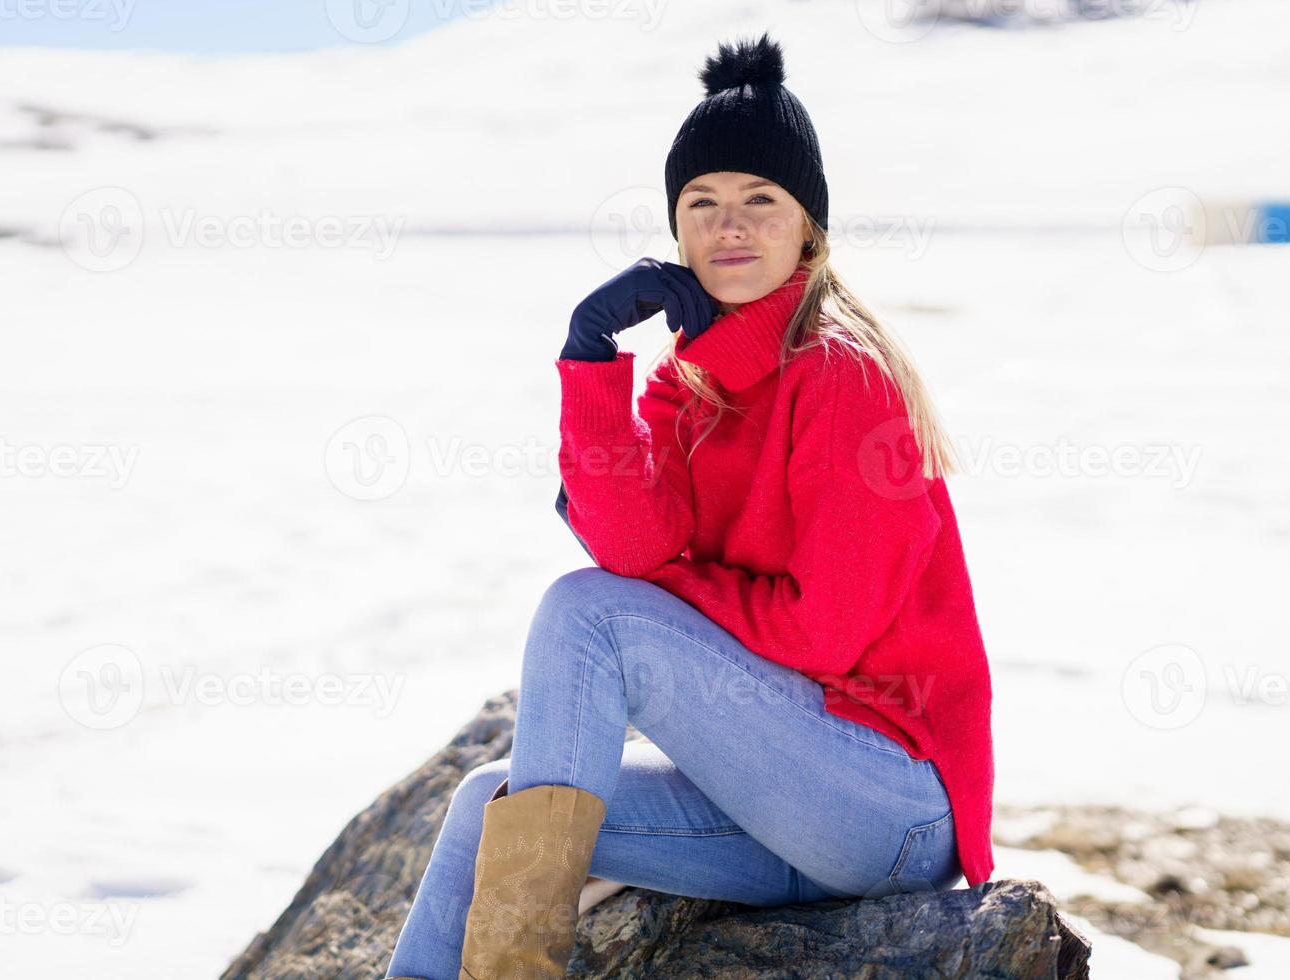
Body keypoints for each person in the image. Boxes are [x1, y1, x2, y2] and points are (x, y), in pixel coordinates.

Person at [386, 31, 994, 980]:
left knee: (587, 613)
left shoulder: (841, 375)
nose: (729, 227)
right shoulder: (699, 375)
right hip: (782, 812)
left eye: (761, 200)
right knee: (482, 808)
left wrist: (671, 587)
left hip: (890, 809)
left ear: (810, 229)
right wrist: (592, 356)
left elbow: (821, 634)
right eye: (701, 204)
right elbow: (637, 546)